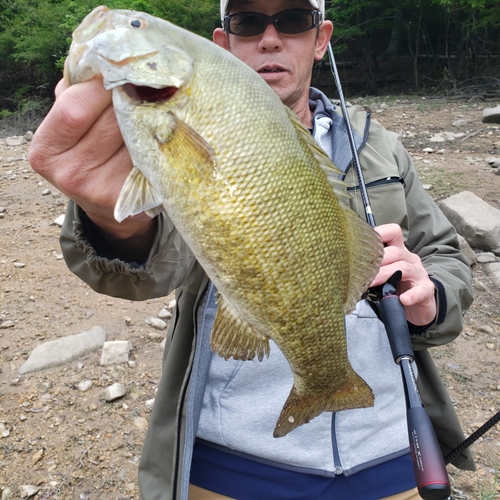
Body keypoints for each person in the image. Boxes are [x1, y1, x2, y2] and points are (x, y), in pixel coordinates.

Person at [28, 0, 475, 498]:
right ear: (222, 44)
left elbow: (445, 255)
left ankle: (328, 381)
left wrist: (431, 297)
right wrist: (113, 223)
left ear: (320, 38)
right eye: (246, 22)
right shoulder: (169, 130)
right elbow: (151, 271)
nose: (269, 38)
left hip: (393, 447)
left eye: (292, 20)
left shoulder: (383, 146)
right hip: (231, 458)